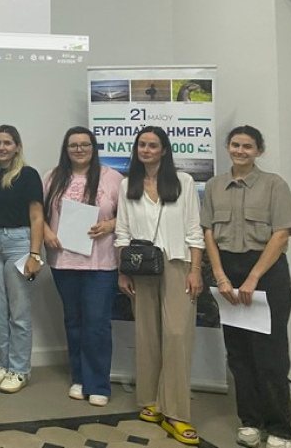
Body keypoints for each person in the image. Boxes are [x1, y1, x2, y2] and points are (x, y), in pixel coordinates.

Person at [201, 126, 291, 448]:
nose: (240, 151)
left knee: (270, 356)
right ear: (228, 147)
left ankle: (280, 429)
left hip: (267, 275)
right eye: (235, 145)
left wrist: (254, 277)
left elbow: (281, 235)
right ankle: (251, 422)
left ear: (259, 150)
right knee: (239, 354)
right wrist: (220, 276)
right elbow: (209, 234)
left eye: (247, 146)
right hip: (228, 275)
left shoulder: (274, 185)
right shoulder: (214, 186)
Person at [116, 126, 204, 446]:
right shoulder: (128, 185)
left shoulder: (184, 182)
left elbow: (194, 230)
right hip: (140, 265)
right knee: (148, 335)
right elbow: (122, 232)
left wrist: (196, 270)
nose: (147, 150)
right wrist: (122, 272)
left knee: (177, 335)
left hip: (178, 263)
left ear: (164, 150)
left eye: (153, 145)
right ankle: (152, 400)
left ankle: (176, 413)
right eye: (142, 144)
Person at [41, 127, 123, 406]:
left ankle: (98, 383)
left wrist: (110, 225)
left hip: (101, 264)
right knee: (74, 321)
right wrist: (46, 232)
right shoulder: (52, 177)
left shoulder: (113, 178)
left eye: (85, 144)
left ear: (93, 147)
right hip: (63, 262)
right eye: (73, 145)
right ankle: (79, 378)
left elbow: (130, 215)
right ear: (66, 149)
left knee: (97, 324)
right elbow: (37, 213)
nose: (79, 149)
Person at [0, 125, 44, 394]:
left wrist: (35, 254)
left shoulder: (28, 175)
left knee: (19, 313)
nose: (1, 147)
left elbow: (37, 216)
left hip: (19, 244)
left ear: (17, 147)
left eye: (7, 143)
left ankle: (20, 369)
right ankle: (4, 364)